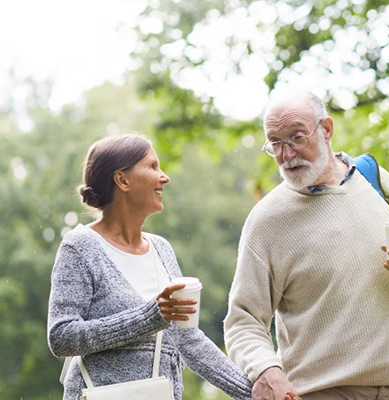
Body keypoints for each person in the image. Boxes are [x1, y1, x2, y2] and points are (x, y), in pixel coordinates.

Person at [223, 91, 389, 400]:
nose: (286, 155)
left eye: (296, 138)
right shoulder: (267, 220)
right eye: (275, 143)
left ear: (326, 129)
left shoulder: (375, 180)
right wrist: (265, 370)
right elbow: (243, 321)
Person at [47, 134, 252, 400]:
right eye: (153, 167)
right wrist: (148, 317)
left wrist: (253, 393)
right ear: (122, 180)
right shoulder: (80, 247)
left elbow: (188, 340)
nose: (164, 177)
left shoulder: (161, 249)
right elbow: (62, 336)